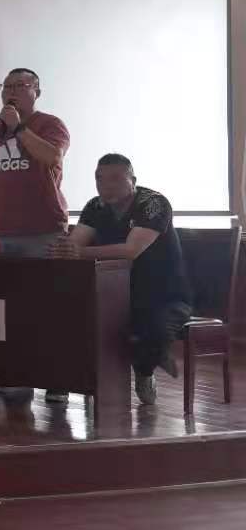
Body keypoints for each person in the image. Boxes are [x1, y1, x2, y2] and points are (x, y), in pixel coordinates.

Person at [50, 155, 192, 406]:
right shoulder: (95, 206)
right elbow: (75, 244)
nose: (106, 186)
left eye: (115, 179)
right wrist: (63, 249)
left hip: (163, 295)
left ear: (133, 181)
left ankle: (145, 370)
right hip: (111, 293)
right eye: (99, 179)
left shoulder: (154, 203)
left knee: (154, 331)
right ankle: (63, 381)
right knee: (63, 316)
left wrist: (78, 252)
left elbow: (130, 251)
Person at [0, 67, 71, 401]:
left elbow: (52, 156)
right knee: (7, 309)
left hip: (44, 232)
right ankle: (15, 373)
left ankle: (57, 378)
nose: (10, 91)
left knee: (48, 308)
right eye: (6, 86)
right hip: (0, 233)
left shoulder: (50, 125)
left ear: (36, 91)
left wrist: (18, 127)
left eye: (19, 85)